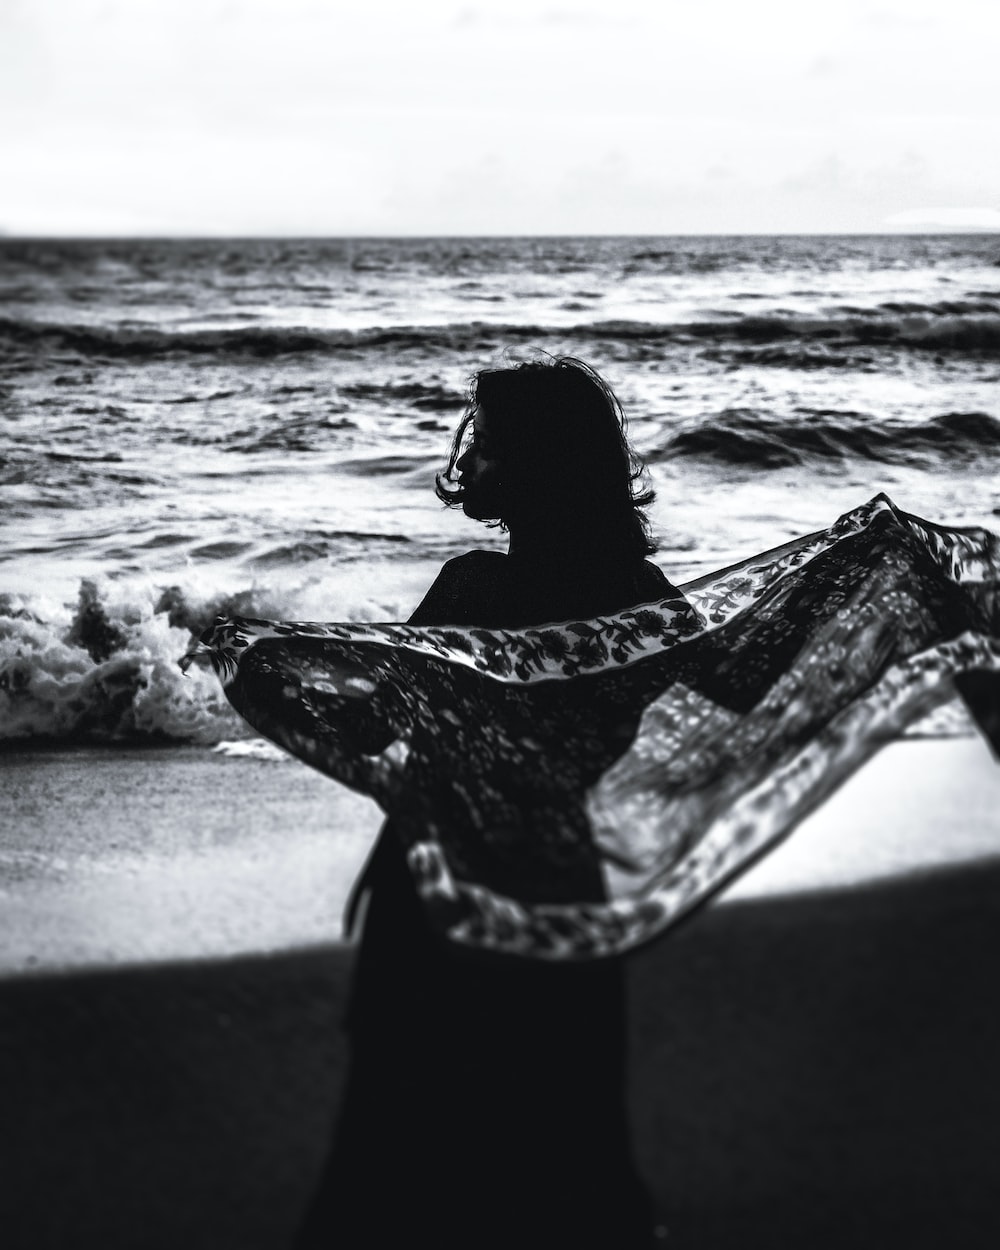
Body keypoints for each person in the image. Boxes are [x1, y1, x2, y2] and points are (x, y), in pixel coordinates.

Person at [293, 357, 684, 1249]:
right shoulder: (642, 604)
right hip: (561, 883)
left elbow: (371, 725)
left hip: (440, 888)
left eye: (492, 444)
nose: (471, 459)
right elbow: (744, 676)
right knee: (572, 1144)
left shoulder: (474, 588)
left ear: (539, 465)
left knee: (394, 1151)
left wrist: (283, 670)